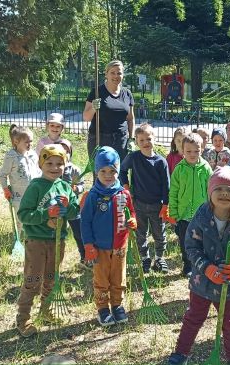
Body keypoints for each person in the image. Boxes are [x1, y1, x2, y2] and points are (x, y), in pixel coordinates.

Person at [167, 166, 230, 365]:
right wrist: (206, 268)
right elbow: (191, 247)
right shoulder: (201, 216)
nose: (224, 193)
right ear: (210, 192)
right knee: (193, 318)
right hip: (202, 282)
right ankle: (180, 354)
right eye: (219, 189)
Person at [15, 145, 80, 337]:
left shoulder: (65, 187)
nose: (54, 167)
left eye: (59, 164)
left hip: (58, 242)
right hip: (37, 242)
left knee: (51, 277)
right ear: (41, 164)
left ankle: (46, 309)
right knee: (33, 279)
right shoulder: (36, 186)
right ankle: (23, 318)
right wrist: (45, 214)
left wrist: (68, 207)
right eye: (49, 163)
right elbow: (24, 215)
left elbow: (74, 213)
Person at [80, 146, 138, 326]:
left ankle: (117, 305)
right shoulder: (93, 196)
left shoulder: (124, 194)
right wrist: (88, 245)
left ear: (118, 171)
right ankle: (103, 308)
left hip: (120, 245)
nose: (108, 175)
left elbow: (131, 212)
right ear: (96, 171)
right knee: (102, 279)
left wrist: (133, 221)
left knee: (118, 277)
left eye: (112, 171)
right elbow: (85, 222)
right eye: (103, 171)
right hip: (100, 247)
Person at [119, 123, 171, 274]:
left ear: (154, 139)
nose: (145, 143)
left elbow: (166, 185)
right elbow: (122, 171)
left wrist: (165, 204)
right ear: (136, 142)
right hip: (138, 204)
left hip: (157, 205)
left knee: (159, 233)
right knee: (141, 233)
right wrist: (126, 186)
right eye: (141, 140)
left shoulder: (161, 161)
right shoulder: (133, 157)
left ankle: (159, 258)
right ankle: (145, 258)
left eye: (148, 139)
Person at [167, 133, 213, 277]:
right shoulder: (179, 169)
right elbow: (173, 192)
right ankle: (188, 266)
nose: (192, 154)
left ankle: (201, 265)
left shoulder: (206, 168)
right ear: (182, 151)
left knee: (202, 242)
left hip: (202, 215)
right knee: (185, 242)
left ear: (202, 149)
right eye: (188, 151)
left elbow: (211, 191)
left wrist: (212, 211)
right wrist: (173, 212)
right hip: (184, 215)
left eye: (196, 151)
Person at [82, 60, 135, 160]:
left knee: (119, 169)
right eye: (112, 73)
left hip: (121, 141)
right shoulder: (97, 92)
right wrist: (93, 108)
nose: (116, 76)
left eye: (119, 73)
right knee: (100, 169)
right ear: (106, 74)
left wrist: (131, 139)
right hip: (100, 140)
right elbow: (86, 117)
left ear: (123, 75)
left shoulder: (127, 93)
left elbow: (130, 119)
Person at [0, 125, 41, 240]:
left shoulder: (33, 155)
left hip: (34, 194)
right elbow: (2, 175)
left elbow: (38, 171)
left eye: (31, 141)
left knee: (33, 216)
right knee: (20, 219)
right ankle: (17, 239)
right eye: (26, 142)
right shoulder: (11, 156)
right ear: (16, 142)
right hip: (19, 196)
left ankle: (32, 239)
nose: (29, 144)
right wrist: (6, 189)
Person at [57, 139, 87, 268]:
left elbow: (82, 186)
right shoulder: (52, 169)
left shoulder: (75, 169)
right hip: (56, 207)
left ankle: (85, 257)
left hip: (72, 206)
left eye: (67, 151)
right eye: (61, 150)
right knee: (57, 234)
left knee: (79, 233)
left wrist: (76, 188)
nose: (64, 153)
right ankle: (55, 261)